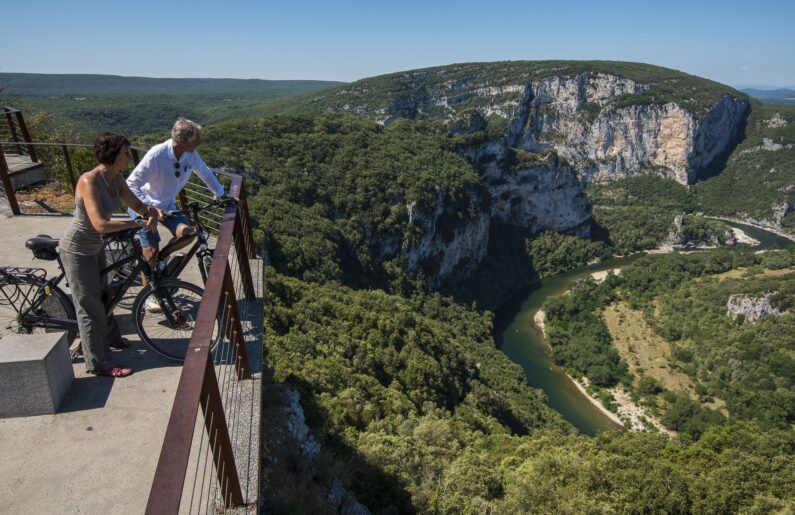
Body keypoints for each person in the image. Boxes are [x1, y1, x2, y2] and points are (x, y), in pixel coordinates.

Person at [59, 133, 160, 377]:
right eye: (125, 152)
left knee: (105, 297)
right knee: (89, 307)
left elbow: (136, 205)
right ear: (113, 155)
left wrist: (150, 212)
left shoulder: (116, 179)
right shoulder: (89, 181)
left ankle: (113, 338)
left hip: (95, 247)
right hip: (77, 249)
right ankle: (99, 363)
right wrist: (134, 225)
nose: (128, 156)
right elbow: (100, 224)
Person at [125, 118, 226, 311]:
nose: (199, 142)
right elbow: (131, 184)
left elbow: (204, 173)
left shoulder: (190, 154)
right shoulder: (158, 154)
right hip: (145, 206)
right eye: (196, 138)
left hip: (168, 205)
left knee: (188, 234)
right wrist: (148, 209)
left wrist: (222, 194)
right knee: (151, 252)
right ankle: (150, 296)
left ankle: (162, 260)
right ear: (184, 141)